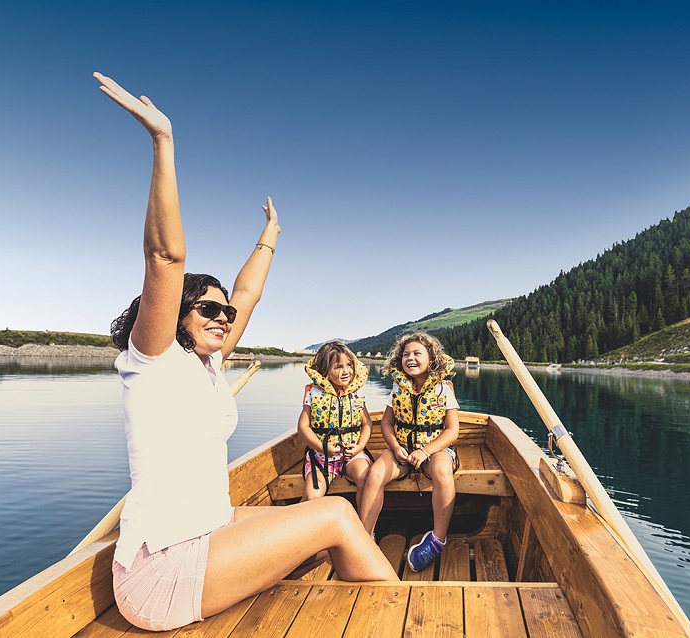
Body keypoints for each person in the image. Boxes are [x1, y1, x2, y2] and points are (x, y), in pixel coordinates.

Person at [95, 72, 397, 633]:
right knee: (336, 513)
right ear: (176, 315)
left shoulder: (206, 364)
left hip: (208, 530)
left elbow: (248, 294)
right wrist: (164, 143)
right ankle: (403, 614)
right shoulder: (152, 361)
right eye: (208, 309)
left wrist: (272, 233)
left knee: (318, 524)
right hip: (162, 568)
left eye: (225, 313)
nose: (223, 317)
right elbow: (165, 257)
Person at [359, 332, 459, 571]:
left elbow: (452, 431)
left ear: (431, 358)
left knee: (442, 471)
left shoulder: (444, 388)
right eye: (406, 354)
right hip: (402, 450)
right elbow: (386, 423)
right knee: (375, 473)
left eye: (417, 353)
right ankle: (363, 538)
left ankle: (437, 541)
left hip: (435, 450)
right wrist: (396, 447)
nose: (410, 358)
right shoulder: (398, 387)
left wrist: (425, 451)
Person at [297, 341, 373, 507]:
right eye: (338, 367)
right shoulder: (314, 392)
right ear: (325, 370)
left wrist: (359, 447)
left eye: (349, 365)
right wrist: (322, 447)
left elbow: (367, 424)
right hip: (322, 455)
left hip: (352, 455)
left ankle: (362, 522)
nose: (346, 371)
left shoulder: (356, 392)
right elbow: (303, 427)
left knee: (367, 478)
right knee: (312, 495)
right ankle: (293, 519)